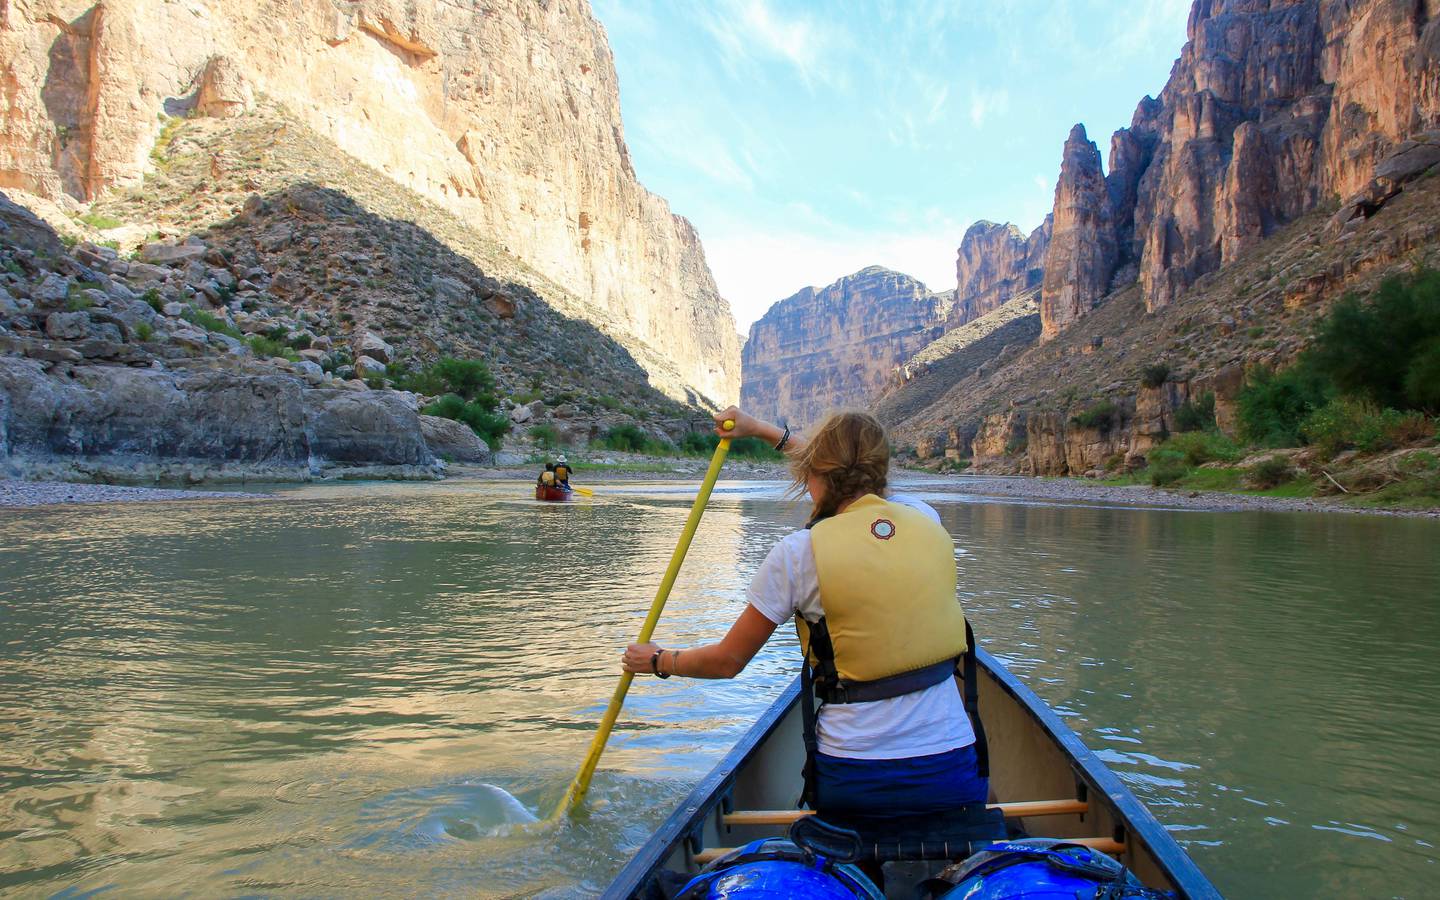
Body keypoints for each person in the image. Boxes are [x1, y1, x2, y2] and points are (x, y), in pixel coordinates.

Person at [621, 406, 988, 865]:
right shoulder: (925, 518)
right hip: (953, 767)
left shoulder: (797, 554)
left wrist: (658, 661)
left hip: (853, 780)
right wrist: (760, 431)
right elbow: (841, 469)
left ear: (814, 473)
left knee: (850, 860)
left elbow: (726, 662)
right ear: (882, 471)